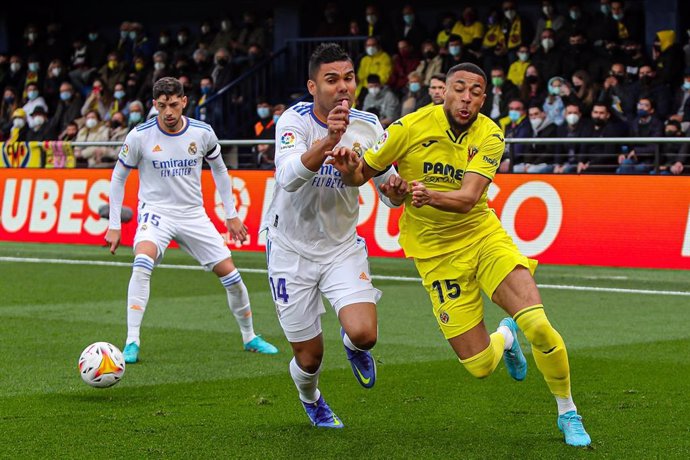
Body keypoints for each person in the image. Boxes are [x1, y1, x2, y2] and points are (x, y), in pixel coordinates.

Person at [327, 63, 591, 447]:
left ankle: (567, 411)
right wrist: (361, 175)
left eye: (476, 92)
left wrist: (425, 194)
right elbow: (361, 177)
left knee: (538, 324)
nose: (467, 98)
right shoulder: (407, 128)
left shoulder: (490, 134)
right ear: (444, 92)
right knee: (480, 365)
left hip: (482, 238)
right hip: (435, 255)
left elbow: (468, 199)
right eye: (459, 89)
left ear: (485, 98)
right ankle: (506, 337)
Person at [261, 43, 405, 429]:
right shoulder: (294, 121)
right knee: (309, 359)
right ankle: (312, 399)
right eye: (332, 80)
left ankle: (352, 344)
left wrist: (396, 191)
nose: (343, 87)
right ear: (312, 86)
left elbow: (387, 191)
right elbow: (287, 179)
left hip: (341, 247)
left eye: (349, 78)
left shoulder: (369, 125)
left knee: (364, 333)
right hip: (290, 249)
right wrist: (327, 141)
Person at [104, 77, 278, 365]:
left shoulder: (202, 133)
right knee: (143, 261)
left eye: (173, 104)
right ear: (154, 105)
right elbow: (118, 177)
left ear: (184, 101)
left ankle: (250, 337)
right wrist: (114, 223)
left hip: (193, 214)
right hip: (156, 212)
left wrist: (231, 214)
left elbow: (220, 171)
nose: (168, 112)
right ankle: (132, 340)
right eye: (162, 106)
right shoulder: (139, 136)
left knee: (231, 275)